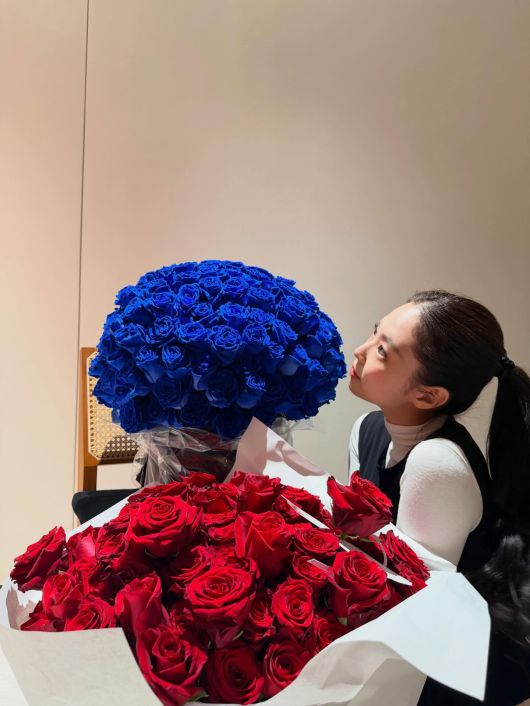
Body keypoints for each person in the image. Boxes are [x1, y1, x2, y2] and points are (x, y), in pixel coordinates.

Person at [347, 289, 530, 705]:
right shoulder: (367, 429)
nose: (360, 350)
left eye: (382, 351)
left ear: (428, 396)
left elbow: (415, 606)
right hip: (401, 644)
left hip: (453, 669)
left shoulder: (438, 463)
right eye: (374, 333)